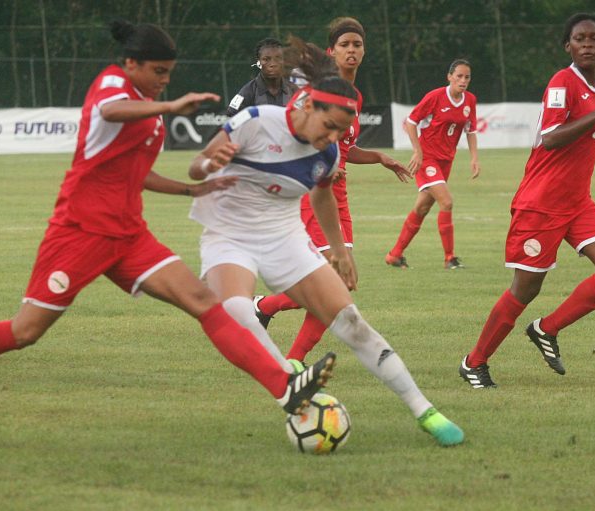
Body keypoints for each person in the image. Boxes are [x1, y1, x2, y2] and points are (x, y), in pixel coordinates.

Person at [0, 20, 336, 431]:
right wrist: (167, 104)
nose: (165, 80)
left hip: (129, 235)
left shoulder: (148, 113)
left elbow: (136, 173)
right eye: (158, 72)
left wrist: (189, 190)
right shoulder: (114, 84)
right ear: (132, 64)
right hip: (80, 232)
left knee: (204, 301)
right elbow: (110, 111)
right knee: (25, 331)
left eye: (169, 74)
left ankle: (284, 388)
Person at [188, 36, 463, 446]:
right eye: (330, 126)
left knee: (352, 322)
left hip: (284, 237)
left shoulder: (330, 153)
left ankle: (425, 411)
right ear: (304, 106)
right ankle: (289, 378)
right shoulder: (256, 120)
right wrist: (210, 162)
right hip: (230, 236)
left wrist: (337, 249)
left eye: (341, 130)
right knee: (235, 309)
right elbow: (196, 168)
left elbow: (320, 193)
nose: (334, 138)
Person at [459, 12, 595, 388]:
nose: (587, 44)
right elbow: (551, 137)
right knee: (526, 288)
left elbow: (588, 126)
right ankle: (474, 362)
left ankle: (546, 329)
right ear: (568, 46)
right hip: (541, 203)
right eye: (579, 39)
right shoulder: (561, 82)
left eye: (594, 38)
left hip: (578, 203)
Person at [252, 17, 411, 367]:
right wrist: (322, 160)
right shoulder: (317, 91)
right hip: (312, 194)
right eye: (345, 45)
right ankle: (286, 348)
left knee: (337, 285)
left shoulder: (353, 95)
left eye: (357, 44)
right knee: (330, 284)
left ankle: (271, 321)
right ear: (332, 51)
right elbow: (295, 133)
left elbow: (345, 148)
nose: (352, 50)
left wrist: (379, 157)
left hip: (339, 198)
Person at [385, 59, 480, 270]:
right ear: (450, 77)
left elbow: (471, 129)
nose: (463, 81)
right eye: (459, 76)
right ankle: (450, 258)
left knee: (422, 207)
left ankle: (395, 254)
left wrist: (474, 157)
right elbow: (411, 121)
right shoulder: (435, 97)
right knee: (446, 202)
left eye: (467, 77)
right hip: (428, 158)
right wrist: (417, 151)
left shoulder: (470, 101)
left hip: (446, 161)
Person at [226, 38, 297, 117]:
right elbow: (230, 116)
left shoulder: (293, 90)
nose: (273, 64)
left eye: (278, 58)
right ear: (258, 62)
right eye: (266, 59)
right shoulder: (248, 91)